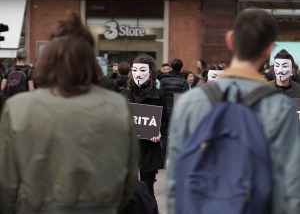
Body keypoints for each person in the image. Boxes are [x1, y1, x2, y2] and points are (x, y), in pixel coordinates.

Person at [0, 13, 139, 214]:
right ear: (90, 61)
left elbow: (6, 184)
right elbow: (129, 179)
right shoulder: (117, 105)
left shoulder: (18, 108)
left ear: (47, 60)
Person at [166, 9, 300, 214]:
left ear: (230, 40)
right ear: (270, 50)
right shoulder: (280, 108)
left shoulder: (189, 102)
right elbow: (289, 189)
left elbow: (175, 178)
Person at [121, 54, 169, 200]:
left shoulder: (158, 94)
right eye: (135, 70)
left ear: (150, 72)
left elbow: (165, 119)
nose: (138, 74)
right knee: (127, 191)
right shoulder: (125, 94)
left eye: (142, 70)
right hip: (129, 148)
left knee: (147, 191)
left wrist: (159, 132)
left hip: (149, 148)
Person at [159, 58, 189, 163]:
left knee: (165, 136)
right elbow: (185, 98)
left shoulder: (163, 80)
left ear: (171, 66)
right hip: (177, 110)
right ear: (181, 67)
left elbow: (160, 95)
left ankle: (162, 159)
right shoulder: (183, 81)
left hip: (165, 109)